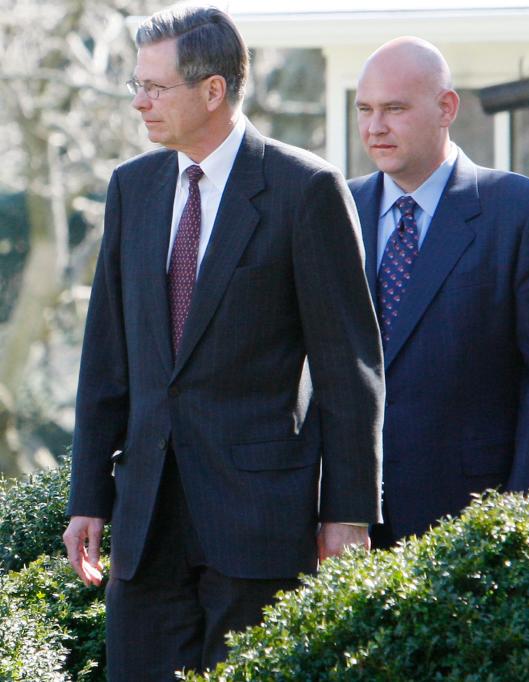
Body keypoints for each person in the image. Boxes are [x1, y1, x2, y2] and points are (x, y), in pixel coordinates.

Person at [61, 6, 384, 679]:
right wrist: (88, 494)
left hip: (259, 520)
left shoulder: (305, 189)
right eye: (136, 85)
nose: (140, 103)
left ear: (213, 90)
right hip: (148, 519)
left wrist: (347, 513)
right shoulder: (133, 187)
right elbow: (106, 359)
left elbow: (346, 366)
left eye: (156, 87)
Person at [349, 37, 529, 548]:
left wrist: (522, 520)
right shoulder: (336, 209)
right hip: (353, 524)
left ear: (446, 107)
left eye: (394, 108)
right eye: (365, 109)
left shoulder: (525, 212)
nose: (376, 127)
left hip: (477, 520)